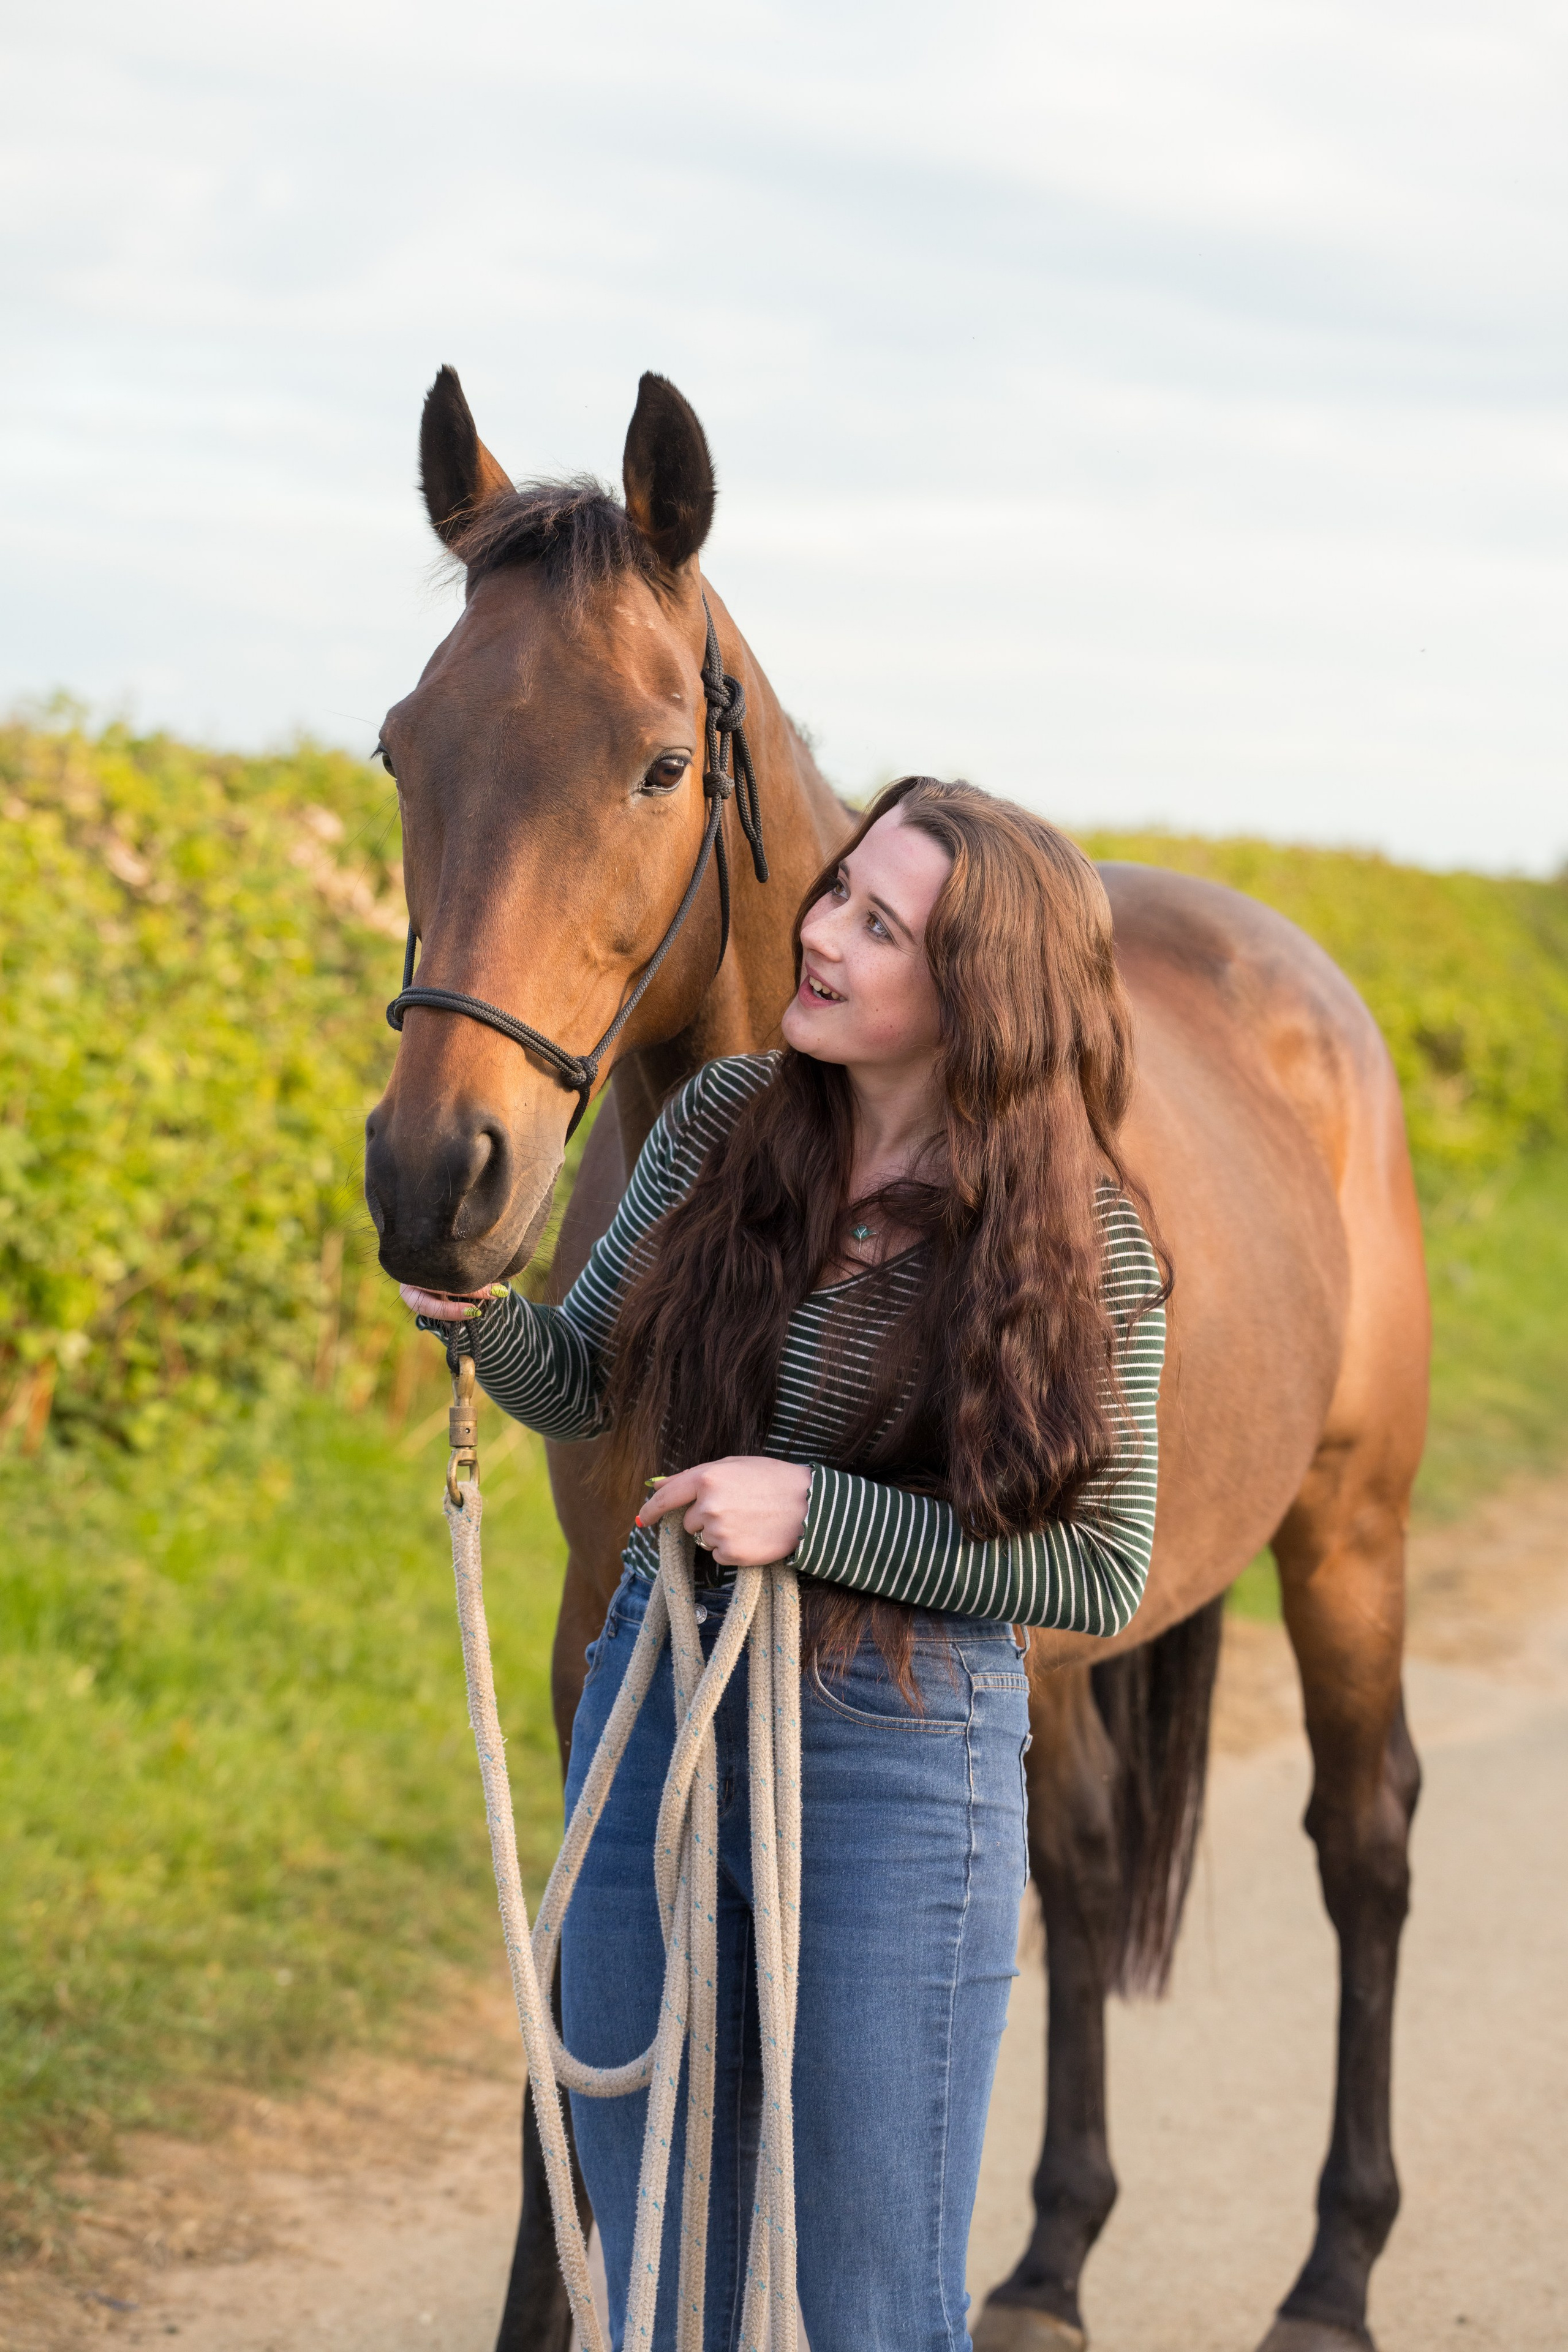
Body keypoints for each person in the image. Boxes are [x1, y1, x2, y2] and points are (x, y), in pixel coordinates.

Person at [402, 777, 1167, 2352]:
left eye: (878, 928)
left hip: (896, 1761)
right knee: (668, 2274)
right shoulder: (716, 1124)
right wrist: (481, 1316)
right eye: (838, 893)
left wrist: (812, 1512)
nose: (820, 937)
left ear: (979, 996)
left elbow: (1097, 1569)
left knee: (874, 2304)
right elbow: (591, 1382)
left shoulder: (1082, 1237)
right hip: (656, 1703)